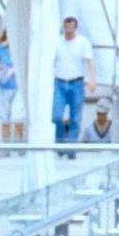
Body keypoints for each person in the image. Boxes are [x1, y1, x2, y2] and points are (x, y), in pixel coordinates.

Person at [53, 16, 95, 160]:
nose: (68, 30)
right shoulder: (57, 42)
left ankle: (71, 149)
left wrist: (92, 80)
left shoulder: (82, 42)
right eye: (66, 27)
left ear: (75, 28)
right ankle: (60, 144)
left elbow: (89, 61)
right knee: (56, 116)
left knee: (75, 118)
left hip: (76, 83)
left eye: (71, 28)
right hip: (60, 82)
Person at [0, 29, 23, 154]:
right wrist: (3, 69)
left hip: (18, 87)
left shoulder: (20, 49)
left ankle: (20, 144)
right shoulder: (0, 50)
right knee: (4, 117)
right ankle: (5, 147)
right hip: (4, 86)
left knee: (17, 116)